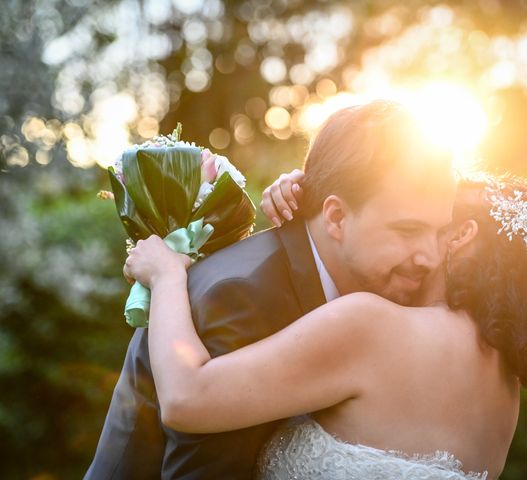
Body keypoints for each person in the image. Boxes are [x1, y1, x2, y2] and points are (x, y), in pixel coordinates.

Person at [124, 172, 527, 479]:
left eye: (429, 220)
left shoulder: (374, 326)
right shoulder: (503, 387)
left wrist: (166, 276)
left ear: (461, 234)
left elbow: (188, 399)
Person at [85, 100, 457, 479]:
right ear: (337, 218)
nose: (430, 257)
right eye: (408, 231)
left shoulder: (375, 280)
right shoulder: (244, 296)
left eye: (442, 232)